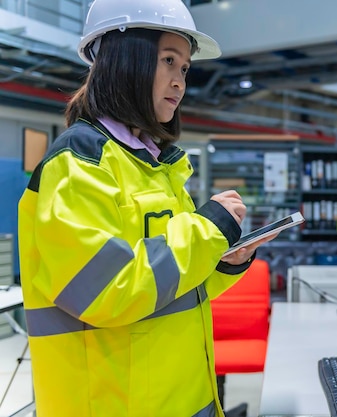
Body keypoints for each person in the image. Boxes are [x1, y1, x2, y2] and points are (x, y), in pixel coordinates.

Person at [17, 1, 273, 416]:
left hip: (185, 396)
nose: (180, 81)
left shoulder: (156, 168)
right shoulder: (79, 164)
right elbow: (105, 293)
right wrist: (207, 231)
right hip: (114, 403)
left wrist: (224, 262)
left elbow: (172, 289)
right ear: (124, 61)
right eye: (168, 61)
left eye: (185, 68)